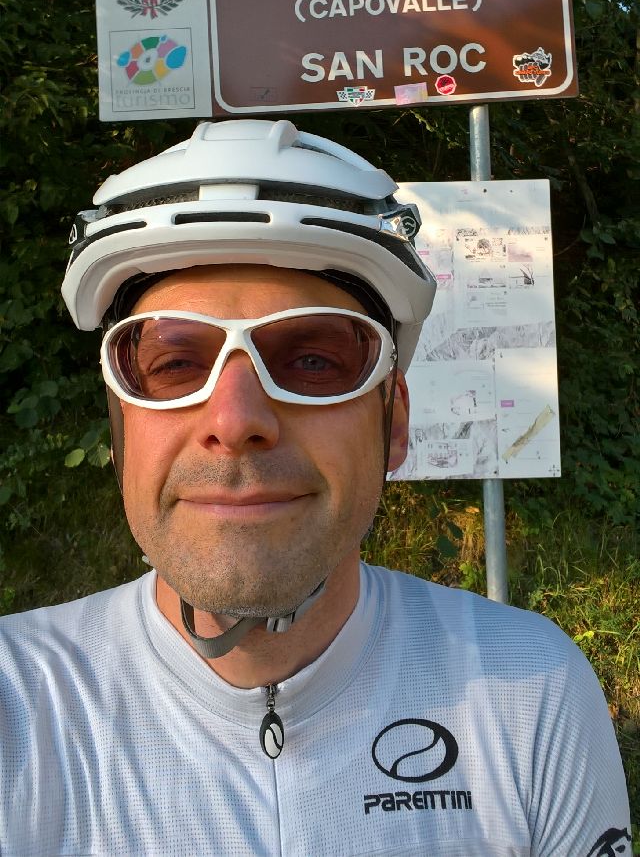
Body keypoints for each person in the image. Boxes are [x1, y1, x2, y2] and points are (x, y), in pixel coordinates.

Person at [0, 119, 631, 857]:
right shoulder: (18, 707)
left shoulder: (531, 689)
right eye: (174, 365)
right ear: (119, 427)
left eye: (312, 360)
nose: (235, 420)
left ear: (394, 422)